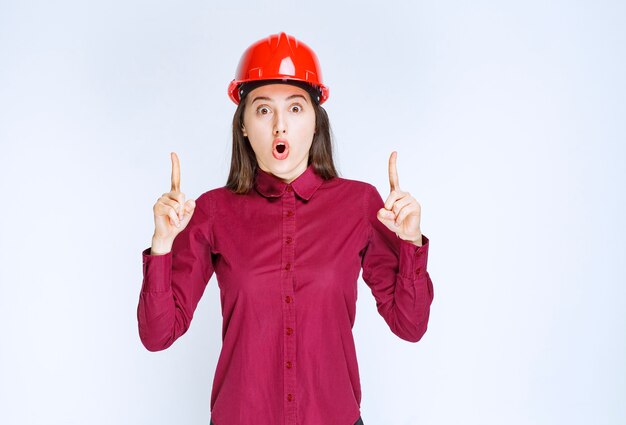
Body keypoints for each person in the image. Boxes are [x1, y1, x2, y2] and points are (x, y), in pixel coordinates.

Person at [137, 32, 434, 425]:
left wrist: (410, 241)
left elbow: (410, 325)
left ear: (315, 123)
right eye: (263, 110)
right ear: (243, 125)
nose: (280, 126)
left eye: (295, 109)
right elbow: (158, 335)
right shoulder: (211, 211)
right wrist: (161, 246)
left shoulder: (361, 206)